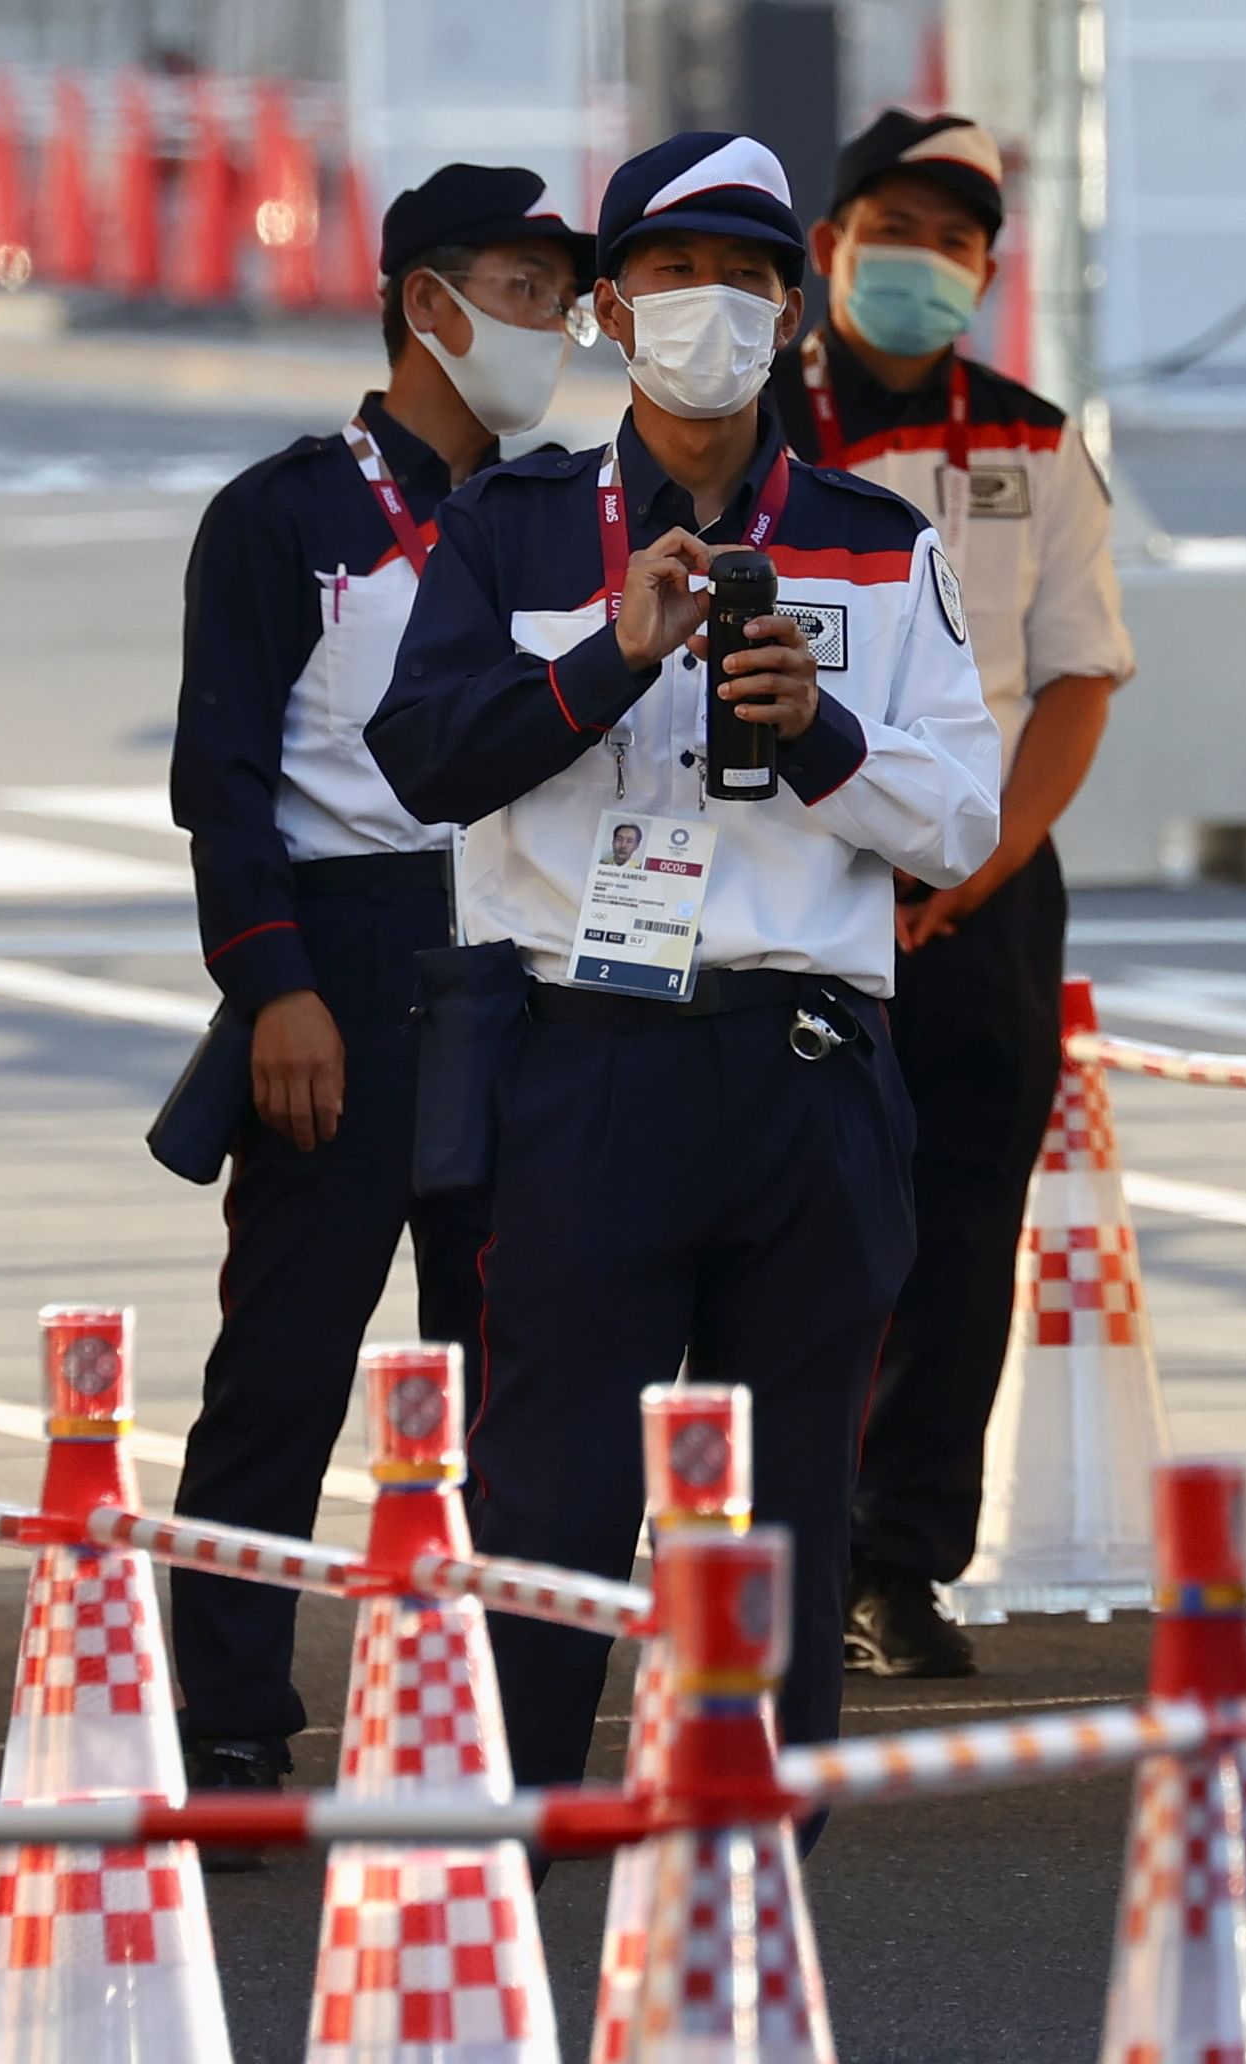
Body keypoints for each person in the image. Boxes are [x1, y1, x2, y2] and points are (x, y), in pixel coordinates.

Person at [369, 132, 1002, 1792]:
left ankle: (742, 1866)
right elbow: (424, 758)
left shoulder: (876, 536)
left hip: (803, 1064)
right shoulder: (510, 526)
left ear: (793, 308)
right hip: (581, 1053)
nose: (706, 305)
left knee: (785, 1500)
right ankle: (505, 1852)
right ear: (609, 308)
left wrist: (826, 734)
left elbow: (961, 821)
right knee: (553, 1488)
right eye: (668, 272)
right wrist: (606, 658)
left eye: (743, 275)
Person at [163, 164, 594, 1823]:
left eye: (563, 294)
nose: (551, 326)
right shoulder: (286, 515)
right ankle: (228, 1700)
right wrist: (272, 984)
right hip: (341, 957)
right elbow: (223, 776)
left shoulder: (565, 511)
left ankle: (492, 1695)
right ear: (427, 303)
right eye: (526, 289)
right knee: (285, 1351)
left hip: (524, 963)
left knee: (520, 1362)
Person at [776, 110, 1137, 1677]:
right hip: (788, 881)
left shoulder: (1034, 440)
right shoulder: (756, 431)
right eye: (893, 230)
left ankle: (895, 1562)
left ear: (986, 267)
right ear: (828, 247)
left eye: (954, 240)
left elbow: (1073, 682)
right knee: (777, 1222)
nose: (921, 262)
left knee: (957, 1230)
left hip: (978, 895)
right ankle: (754, 1542)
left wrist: (967, 870)